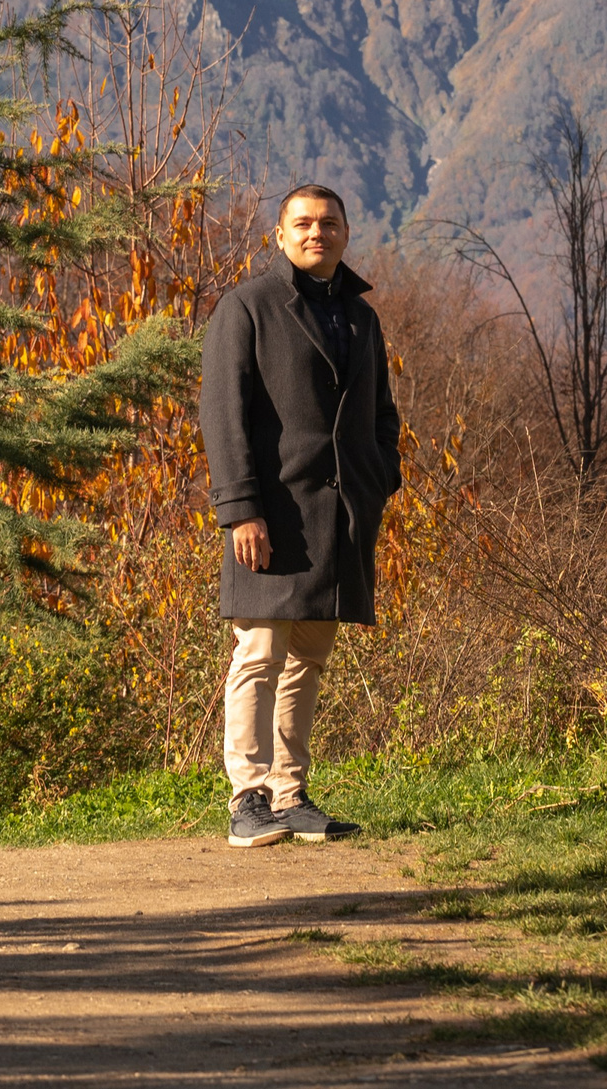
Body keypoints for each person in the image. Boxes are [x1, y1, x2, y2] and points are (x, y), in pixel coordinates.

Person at [199, 184, 401, 849]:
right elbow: (223, 417)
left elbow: (380, 417)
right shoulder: (247, 308)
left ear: (346, 233)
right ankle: (248, 796)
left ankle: (290, 792)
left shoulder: (360, 318)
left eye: (330, 222)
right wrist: (240, 510)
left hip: (338, 518)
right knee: (257, 652)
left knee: (308, 657)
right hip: (271, 514)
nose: (318, 233)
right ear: (280, 236)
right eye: (304, 223)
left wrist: (377, 480)